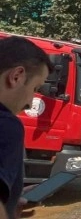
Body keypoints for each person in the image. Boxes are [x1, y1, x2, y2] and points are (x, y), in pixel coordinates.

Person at [0, 36, 52, 219]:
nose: (30, 103)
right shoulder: (6, 124)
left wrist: (9, 202)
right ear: (16, 76)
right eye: (35, 88)